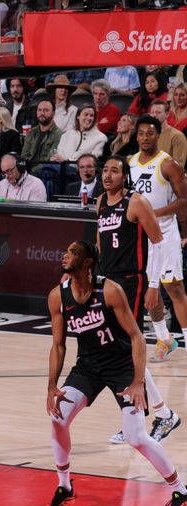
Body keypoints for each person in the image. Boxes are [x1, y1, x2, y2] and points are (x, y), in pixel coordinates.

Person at [43, 240, 187, 506]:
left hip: (121, 367)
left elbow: (136, 336)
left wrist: (137, 381)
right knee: (58, 419)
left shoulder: (109, 290)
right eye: (65, 250)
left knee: (135, 437)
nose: (64, 254)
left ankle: (181, 492)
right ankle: (65, 487)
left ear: (86, 262)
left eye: (72, 252)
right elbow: (58, 345)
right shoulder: (57, 296)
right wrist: (51, 386)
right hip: (89, 367)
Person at [96, 155, 179, 446]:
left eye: (114, 171)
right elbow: (100, 244)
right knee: (120, 350)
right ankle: (156, 415)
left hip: (132, 280)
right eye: (105, 170)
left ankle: (151, 416)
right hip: (108, 281)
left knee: (129, 347)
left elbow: (158, 243)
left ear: (125, 176)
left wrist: (153, 285)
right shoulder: (100, 203)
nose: (107, 175)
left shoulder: (136, 202)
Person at [129, 115, 187, 363]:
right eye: (141, 133)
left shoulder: (168, 164)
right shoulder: (130, 162)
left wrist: (154, 213)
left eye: (149, 133)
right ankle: (164, 338)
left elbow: (184, 200)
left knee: (173, 287)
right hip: (142, 235)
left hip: (165, 232)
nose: (144, 138)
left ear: (158, 135)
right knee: (148, 290)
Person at [149, 101, 187, 168]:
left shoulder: (177, 136)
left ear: (167, 114)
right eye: (152, 113)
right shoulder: (146, 135)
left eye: (158, 112)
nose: (154, 115)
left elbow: (178, 167)